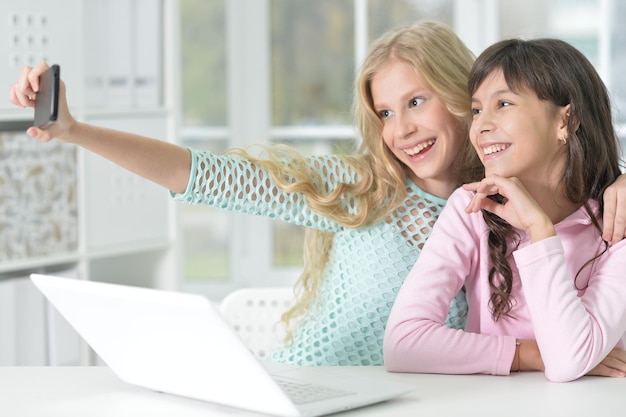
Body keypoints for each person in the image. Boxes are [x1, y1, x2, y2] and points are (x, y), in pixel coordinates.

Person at [9, 22, 626, 368]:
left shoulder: (515, 205)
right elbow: (198, 174)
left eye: (416, 102)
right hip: (307, 387)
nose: (401, 130)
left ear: (463, 96)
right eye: (385, 112)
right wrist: (75, 131)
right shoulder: (356, 189)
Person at [383, 37, 626, 382]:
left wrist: (540, 230)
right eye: (478, 109)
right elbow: (402, 343)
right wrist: (529, 353)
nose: (480, 126)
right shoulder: (469, 209)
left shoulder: (617, 221)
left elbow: (568, 362)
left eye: (504, 104)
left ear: (566, 121)